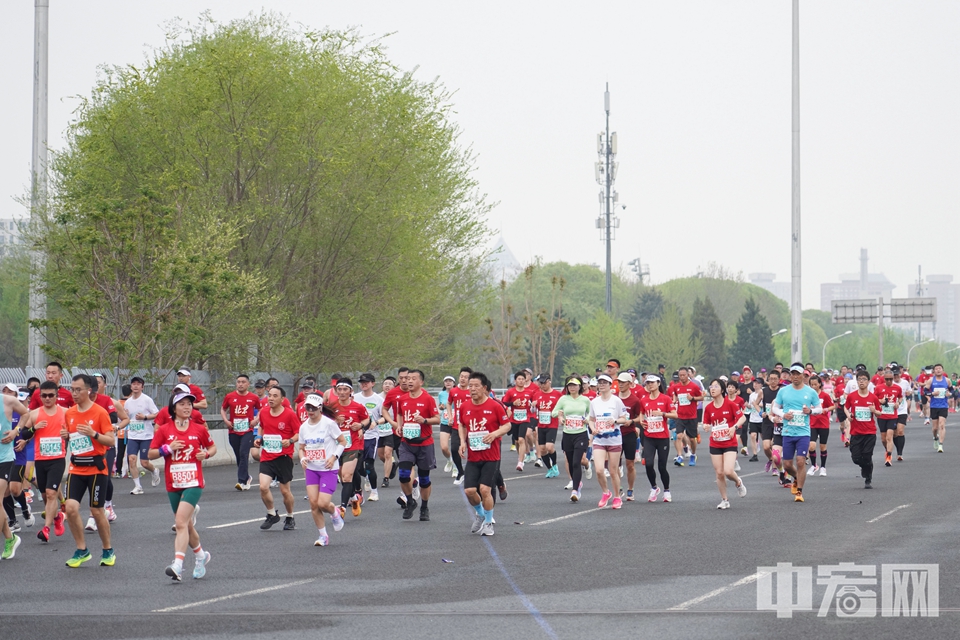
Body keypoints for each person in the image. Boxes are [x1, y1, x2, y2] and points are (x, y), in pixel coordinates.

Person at [149, 390, 214, 580]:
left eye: (189, 404)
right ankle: (201, 556)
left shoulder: (199, 429)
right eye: (182, 404)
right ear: (174, 408)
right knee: (186, 525)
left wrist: (207, 454)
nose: (187, 407)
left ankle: (177, 564)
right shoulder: (165, 430)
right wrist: (167, 449)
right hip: (174, 482)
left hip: (194, 482)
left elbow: (212, 446)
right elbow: (151, 454)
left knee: (179, 523)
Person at [62, 374, 116, 567]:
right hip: (76, 467)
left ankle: (108, 549)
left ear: (89, 391)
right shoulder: (69, 414)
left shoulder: (100, 412)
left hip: (96, 469)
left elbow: (110, 440)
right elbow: (72, 438)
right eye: (72, 389)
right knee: (70, 508)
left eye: (78, 390)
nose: (74, 393)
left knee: (96, 510)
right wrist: (66, 436)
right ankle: (82, 549)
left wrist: (93, 434)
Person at [459, 372, 511, 537]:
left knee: (485, 490)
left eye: (475, 386)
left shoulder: (494, 405)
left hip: (491, 456)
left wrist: (495, 434)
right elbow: (462, 425)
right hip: (473, 456)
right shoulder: (465, 406)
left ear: (484, 388)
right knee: (469, 491)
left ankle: (489, 522)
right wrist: (462, 442)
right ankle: (480, 514)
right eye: (470, 386)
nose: (472, 389)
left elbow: (507, 425)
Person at [17, 381, 66, 543]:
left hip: (58, 459)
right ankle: (57, 516)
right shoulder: (35, 414)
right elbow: (23, 434)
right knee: (46, 495)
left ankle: (45, 529)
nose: (47, 398)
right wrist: (34, 428)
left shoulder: (66, 413)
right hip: (41, 459)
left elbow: (75, 431)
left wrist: (68, 435)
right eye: (43, 395)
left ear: (56, 396)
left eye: (50, 395)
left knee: (52, 493)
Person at [298, 394, 347, 546]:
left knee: (323, 504)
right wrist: (302, 458)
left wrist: (333, 457)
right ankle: (323, 536)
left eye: (313, 408)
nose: (310, 411)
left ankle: (334, 512)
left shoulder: (328, 424)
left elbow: (342, 442)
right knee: (313, 504)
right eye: (308, 407)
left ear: (320, 408)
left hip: (328, 469)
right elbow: (301, 448)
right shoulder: (303, 427)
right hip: (312, 469)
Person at [394, 370, 439, 521]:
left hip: (424, 443)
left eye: (414, 378)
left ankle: (424, 507)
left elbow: (437, 419)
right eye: (408, 378)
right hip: (406, 443)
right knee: (403, 475)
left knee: (424, 479)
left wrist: (424, 420)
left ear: (421, 382)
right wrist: (399, 426)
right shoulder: (403, 399)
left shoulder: (428, 399)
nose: (410, 381)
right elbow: (399, 414)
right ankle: (410, 501)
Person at [773, 364, 822, 503]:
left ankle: (799, 491)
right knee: (787, 464)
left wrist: (810, 411)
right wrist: (783, 414)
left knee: (800, 461)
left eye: (797, 374)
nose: (795, 376)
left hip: (803, 432)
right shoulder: (784, 391)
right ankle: (796, 478)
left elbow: (820, 408)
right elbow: (775, 408)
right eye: (792, 374)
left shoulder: (810, 392)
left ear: (803, 376)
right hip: (788, 432)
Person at [254, 386, 300, 530]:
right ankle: (272, 513)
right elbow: (261, 426)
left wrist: (290, 441)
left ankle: (290, 516)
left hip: (283, 457)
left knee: (285, 491)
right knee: (263, 487)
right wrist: (259, 437)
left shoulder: (289, 415)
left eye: (275, 396)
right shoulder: (264, 412)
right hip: (267, 455)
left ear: (282, 399)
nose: (271, 398)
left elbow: (299, 433)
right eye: (269, 395)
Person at [700, 379, 746, 510]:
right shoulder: (708, 408)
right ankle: (724, 500)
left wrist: (734, 427)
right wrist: (706, 426)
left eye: (715, 386)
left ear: (722, 389)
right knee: (719, 473)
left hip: (729, 442)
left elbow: (742, 417)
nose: (712, 389)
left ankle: (738, 482)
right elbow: (706, 422)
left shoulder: (730, 404)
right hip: (715, 442)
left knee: (728, 471)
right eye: (711, 387)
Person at [588, 374, 629, 510]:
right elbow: (591, 419)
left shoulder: (616, 401)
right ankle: (606, 492)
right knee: (599, 470)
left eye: (605, 382)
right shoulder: (594, 402)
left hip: (614, 439)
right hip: (599, 439)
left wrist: (615, 421)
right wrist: (593, 428)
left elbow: (624, 419)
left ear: (610, 385)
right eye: (600, 382)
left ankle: (617, 496)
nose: (602, 384)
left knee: (613, 471)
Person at [332, 378, 369, 517]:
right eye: (339, 389)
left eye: (345, 389)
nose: (342, 392)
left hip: (353, 444)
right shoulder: (331, 406)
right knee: (342, 476)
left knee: (347, 476)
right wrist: (335, 421)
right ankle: (354, 498)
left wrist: (360, 425)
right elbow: (323, 423)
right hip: (337, 446)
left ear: (350, 391)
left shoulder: (358, 407)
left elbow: (366, 419)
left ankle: (342, 507)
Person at [0, 389, 30, 559]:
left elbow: (26, 414)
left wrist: (15, 431)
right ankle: (10, 539)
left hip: (4, 457)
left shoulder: (7, 401)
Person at [638, 374, 677, 503]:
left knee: (661, 466)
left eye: (652, 382)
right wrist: (642, 421)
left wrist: (662, 414)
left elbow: (675, 414)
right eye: (648, 383)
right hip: (649, 436)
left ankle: (666, 490)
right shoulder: (644, 400)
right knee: (648, 464)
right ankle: (654, 487)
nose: (650, 385)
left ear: (658, 383)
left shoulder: (665, 399)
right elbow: (641, 414)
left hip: (662, 437)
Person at [553, 377, 592, 501]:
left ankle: (575, 490)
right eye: (570, 385)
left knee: (576, 462)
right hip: (567, 434)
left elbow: (592, 414)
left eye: (574, 385)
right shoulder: (563, 399)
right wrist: (560, 416)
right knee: (570, 462)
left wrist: (587, 419)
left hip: (580, 433)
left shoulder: (585, 400)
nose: (572, 387)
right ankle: (577, 481)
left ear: (580, 387)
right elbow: (554, 412)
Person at [221, 374, 260, 490]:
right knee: (239, 455)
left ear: (248, 384)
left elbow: (261, 410)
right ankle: (247, 477)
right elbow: (223, 409)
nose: (240, 384)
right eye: (238, 382)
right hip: (234, 430)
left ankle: (241, 482)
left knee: (244, 453)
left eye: (243, 382)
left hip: (247, 430)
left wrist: (256, 420)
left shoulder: (253, 397)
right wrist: (226, 421)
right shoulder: (230, 396)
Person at [123, 376, 161, 495]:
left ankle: (154, 470)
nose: (135, 386)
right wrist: (125, 415)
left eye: (138, 384)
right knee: (131, 460)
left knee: (144, 462)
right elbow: (125, 418)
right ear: (131, 386)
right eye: (133, 384)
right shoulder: (128, 402)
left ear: (142, 387)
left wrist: (145, 417)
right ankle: (138, 486)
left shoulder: (147, 400)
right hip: (133, 435)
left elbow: (157, 414)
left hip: (146, 435)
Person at [845, 371, 881, 488]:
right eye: (859, 379)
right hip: (856, 432)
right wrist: (849, 415)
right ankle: (865, 467)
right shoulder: (852, 396)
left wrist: (874, 411)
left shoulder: (873, 397)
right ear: (857, 381)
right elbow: (845, 407)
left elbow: (880, 413)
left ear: (868, 381)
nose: (862, 381)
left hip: (869, 432)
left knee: (867, 455)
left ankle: (868, 477)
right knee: (856, 458)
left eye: (864, 379)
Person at [356, 373, 384, 501]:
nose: (364, 384)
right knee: (357, 467)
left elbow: (386, 417)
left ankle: (374, 492)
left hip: (371, 437)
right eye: (362, 382)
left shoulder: (379, 399)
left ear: (373, 383)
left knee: (369, 465)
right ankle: (360, 488)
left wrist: (376, 422)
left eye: (366, 382)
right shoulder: (354, 398)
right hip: (356, 437)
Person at [501, 371, 536, 471]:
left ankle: (520, 462)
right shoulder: (511, 392)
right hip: (514, 419)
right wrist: (513, 403)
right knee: (516, 441)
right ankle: (520, 456)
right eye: (519, 379)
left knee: (521, 439)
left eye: (522, 379)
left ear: (525, 380)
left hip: (525, 418)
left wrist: (533, 404)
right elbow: (504, 403)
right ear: (515, 380)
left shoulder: (529, 392)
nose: (521, 381)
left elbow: (534, 403)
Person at [668, 367, 703, 467]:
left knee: (692, 439)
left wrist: (692, 398)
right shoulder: (676, 387)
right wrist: (674, 401)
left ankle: (693, 454)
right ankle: (680, 456)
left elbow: (701, 397)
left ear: (688, 375)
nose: (682, 377)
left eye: (684, 375)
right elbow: (675, 397)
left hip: (691, 416)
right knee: (678, 436)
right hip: (680, 416)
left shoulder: (693, 386)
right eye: (680, 375)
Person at [616, 372, 642, 499]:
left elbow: (640, 417)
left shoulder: (635, 400)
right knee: (615, 464)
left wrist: (632, 421)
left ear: (630, 384)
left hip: (629, 434)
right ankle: (618, 487)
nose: (620, 385)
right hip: (615, 434)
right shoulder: (614, 398)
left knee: (630, 464)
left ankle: (630, 489)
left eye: (623, 382)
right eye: (618, 382)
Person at [532, 373, 562, 479]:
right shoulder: (537, 394)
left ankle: (554, 464)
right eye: (540, 383)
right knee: (542, 449)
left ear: (549, 381)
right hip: (541, 424)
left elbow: (562, 407)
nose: (542, 385)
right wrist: (533, 406)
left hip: (552, 424)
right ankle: (549, 468)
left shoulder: (557, 394)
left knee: (549, 447)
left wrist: (560, 416)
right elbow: (533, 410)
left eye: (544, 383)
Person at [445, 368, 472, 485]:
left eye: (466, 377)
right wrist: (450, 416)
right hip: (457, 425)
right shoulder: (453, 391)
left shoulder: (472, 391)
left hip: (471, 426)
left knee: (472, 451)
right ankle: (460, 472)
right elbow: (449, 403)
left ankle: (472, 473)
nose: (463, 378)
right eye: (461, 376)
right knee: (454, 448)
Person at [874, 369, 903, 467]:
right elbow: (873, 399)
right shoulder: (878, 388)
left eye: (891, 379)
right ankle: (887, 450)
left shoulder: (897, 388)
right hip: (882, 415)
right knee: (883, 439)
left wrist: (898, 403)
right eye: (887, 379)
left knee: (889, 436)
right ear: (884, 379)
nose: (889, 381)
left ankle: (888, 457)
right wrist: (880, 401)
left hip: (892, 416)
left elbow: (900, 397)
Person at [807, 375, 834, 476]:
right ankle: (814, 465)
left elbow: (832, 406)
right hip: (812, 424)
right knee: (812, 445)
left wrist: (826, 409)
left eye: (815, 384)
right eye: (811, 384)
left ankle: (823, 467)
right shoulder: (808, 396)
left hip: (823, 424)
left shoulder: (825, 395)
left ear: (819, 384)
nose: (813, 386)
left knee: (823, 447)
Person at [925, 364, 953, 452]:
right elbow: (925, 391)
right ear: (934, 371)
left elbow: (951, 390)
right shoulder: (931, 380)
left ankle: (941, 445)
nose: (938, 370)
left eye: (940, 369)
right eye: (936, 369)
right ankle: (935, 437)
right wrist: (932, 394)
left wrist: (949, 394)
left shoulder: (947, 380)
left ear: (942, 370)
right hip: (934, 406)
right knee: (935, 428)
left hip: (943, 406)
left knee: (942, 425)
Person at [892, 366, 911, 461]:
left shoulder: (905, 382)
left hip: (902, 410)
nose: (896, 376)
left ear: (900, 374)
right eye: (894, 375)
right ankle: (897, 448)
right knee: (894, 433)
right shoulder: (889, 383)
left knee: (900, 431)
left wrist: (908, 393)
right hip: (892, 411)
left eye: (897, 374)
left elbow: (910, 391)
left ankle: (900, 453)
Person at [438, 376, 456, 475]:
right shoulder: (441, 394)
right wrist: (441, 407)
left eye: (450, 381)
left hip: (456, 422)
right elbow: (441, 406)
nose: (448, 383)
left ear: (454, 383)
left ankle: (456, 468)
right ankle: (450, 460)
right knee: (444, 447)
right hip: (445, 422)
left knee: (455, 447)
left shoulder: (457, 392)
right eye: (446, 381)